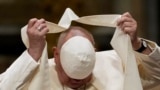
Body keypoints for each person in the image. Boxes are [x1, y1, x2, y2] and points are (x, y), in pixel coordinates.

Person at [0, 12, 160, 90]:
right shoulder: (35, 72)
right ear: (56, 55)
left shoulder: (115, 63)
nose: (76, 80)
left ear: (94, 53)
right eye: (69, 72)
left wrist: (136, 44)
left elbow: (157, 76)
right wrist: (33, 52)